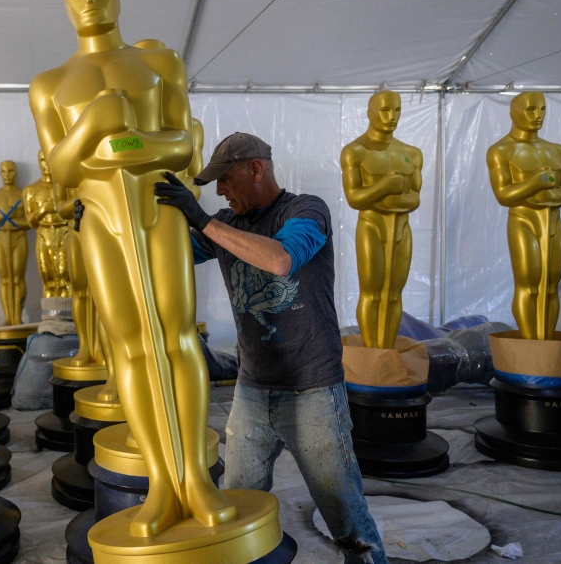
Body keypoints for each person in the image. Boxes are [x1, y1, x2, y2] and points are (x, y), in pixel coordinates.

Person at [153, 132, 388, 564]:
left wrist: (201, 219)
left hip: (312, 390)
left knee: (346, 516)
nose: (220, 191)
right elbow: (161, 258)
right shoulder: (228, 224)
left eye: (224, 180)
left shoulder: (304, 210)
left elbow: (281, 260)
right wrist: (104, 221)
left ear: (256, 168)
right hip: (253, 391)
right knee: (236, 509)